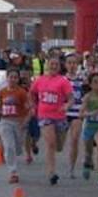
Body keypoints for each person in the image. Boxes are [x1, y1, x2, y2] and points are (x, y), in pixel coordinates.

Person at [30, 55, 73, 185]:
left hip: (59, 117)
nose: (53, 67)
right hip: (44, 115)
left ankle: (52, 167)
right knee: (51, 144)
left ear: (59, 67)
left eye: (56, 65)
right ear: (47, 66)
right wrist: (33, 106)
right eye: (51, 64)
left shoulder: (63, 81)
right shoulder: (39, 80)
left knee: (59, 147)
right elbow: (32, 93)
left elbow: (71, 98)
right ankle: (52, 172)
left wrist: (66, 105)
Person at [0, 69, 31, 183]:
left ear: (18, 79)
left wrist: (25, 121)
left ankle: (14, 155)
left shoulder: (21, 92)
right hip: (5, 121)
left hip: (18, 123)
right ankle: (13, 172)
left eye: (15, 77)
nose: (13, 79)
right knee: (9, 147)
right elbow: (0, 104)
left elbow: (29, 109)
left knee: (18, 148)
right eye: (11, 77)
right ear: (7, 78)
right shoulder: (3, 91)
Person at [77, 72, 98, 183]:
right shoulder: (88, 97)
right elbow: (81, 114)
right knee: (88, 151)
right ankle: (87, 162)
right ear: (90, 84)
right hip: (89, 126)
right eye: (95, 82)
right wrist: (92, 113)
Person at [63, 54, 86, 178]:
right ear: (65, 65)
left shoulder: (82, 80)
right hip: (63, 113)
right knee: (59, 142)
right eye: (69, 63)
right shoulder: (61, 80)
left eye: (74, 63)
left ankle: (71, 167)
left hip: (77, 113)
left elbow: (86, 96)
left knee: (74, 139)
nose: (72, 66)